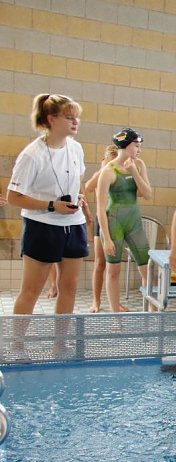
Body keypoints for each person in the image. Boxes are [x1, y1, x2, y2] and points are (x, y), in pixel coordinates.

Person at [7, 94, 88, 318]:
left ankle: (60, 338)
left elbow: (78, 178)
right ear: (51, 119)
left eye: (77, 117)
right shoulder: (33, 155)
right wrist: (52, 205)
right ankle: (17, 339)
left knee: (69, 288)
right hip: (42, 226)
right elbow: (14, 197)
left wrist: (79, 197)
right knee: (31, 290)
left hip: (74, 225)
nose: (76, 122)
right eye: (69, 117)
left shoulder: (76, 148)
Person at [96, 128, 153, 313]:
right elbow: (100, 208)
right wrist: (106, 238)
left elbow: (148, 194)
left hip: (134, 223)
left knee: (147, 269)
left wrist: (134, 172)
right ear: (126, 146)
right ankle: (116, 317)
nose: (139, 150)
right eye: (136, 146)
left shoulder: (139, 165)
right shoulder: (108, 171)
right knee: (113, 271)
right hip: (114, 225)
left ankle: (153, 313)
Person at [83, 144, 119, 312]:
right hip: (102, 220)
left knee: (114, 265)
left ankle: (115, 303)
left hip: (117, 221)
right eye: (111, 161)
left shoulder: (121, 174)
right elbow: (88, 187)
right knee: (100, 263)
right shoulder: (101, 173)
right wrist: (103, 169)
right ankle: (96, 301)